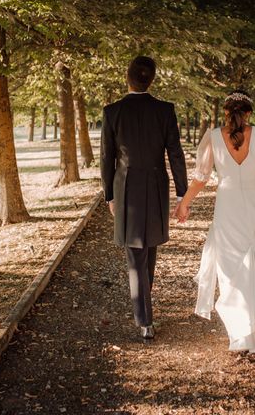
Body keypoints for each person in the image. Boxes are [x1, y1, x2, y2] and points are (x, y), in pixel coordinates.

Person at [174, 89, 255, 353]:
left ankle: (240, 334)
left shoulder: (213, 137)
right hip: (253, 204)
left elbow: (201, 178)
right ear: (249, 113)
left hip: (227, 207)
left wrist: (184, 204)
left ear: (226, 112)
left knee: (230, 267)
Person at [100, 56, 188, 340]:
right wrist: (181, 191)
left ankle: (145, 320)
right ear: (151, 79)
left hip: (126, 188)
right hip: (157, 186)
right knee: (147, 249)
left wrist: (109, 195)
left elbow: (107, 157)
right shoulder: (165, 110)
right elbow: (175, 153)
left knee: (140, 251)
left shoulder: (113, 111)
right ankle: (145, 315)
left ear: (128, 78)